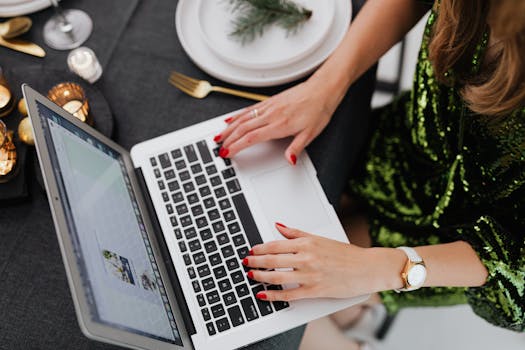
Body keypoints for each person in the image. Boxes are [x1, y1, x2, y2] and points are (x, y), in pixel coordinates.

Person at [215, 0, 525, 348]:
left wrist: (382, 268)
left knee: (274, 289)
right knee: (256, 231)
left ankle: (354, 326)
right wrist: (325, 87)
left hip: (465, 245)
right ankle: (356, 315)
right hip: (402, 148)